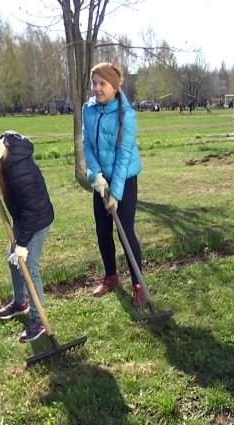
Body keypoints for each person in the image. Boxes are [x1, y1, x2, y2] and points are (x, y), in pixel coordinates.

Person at [0, 123, 54, 342]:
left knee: (28, 266)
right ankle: (21, 303)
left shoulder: (20, 173)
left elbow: (33, 212)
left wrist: (22, 244)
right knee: (13, 261)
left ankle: (38, 321)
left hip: (36, 220)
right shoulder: (3, 147)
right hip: (23, 217)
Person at [83, 62, 146, 306]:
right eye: (94, 83)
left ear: (114, 86)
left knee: (125, 231)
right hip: (101, 180)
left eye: (102, 84)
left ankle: (138, 283)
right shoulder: (88, 109)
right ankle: (111, 276)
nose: (97, 88)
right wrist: (95, 176)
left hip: (125, 179)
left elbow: (124, 155)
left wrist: (116, 193)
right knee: (102, 229)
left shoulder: (126, 114)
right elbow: (87, 145)